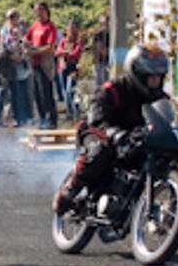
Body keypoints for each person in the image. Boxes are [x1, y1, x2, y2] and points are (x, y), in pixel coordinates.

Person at [52, 44, 170, 216]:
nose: (155, 82)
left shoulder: (161, 99)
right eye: (150, 77)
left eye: (159, 77)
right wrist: (114, 133)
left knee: (159, 157)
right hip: (99, 131)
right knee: (100, 150)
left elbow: (168, 121)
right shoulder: (114, 89)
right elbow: (96, 115)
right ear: (137, 73)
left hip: (133, 138)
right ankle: (70, 189)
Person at [27, 1, 59, 128]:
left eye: (40, 10)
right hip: (34, 64)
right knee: (37, 94)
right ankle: (41, 119)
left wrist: (35, 51)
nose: (38, 13)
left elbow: (51, 48)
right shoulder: (35, 26)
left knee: (46, 93)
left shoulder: (50, 27)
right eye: (36, 11)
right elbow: (27, 39)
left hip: (45, 64)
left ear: (46, 11)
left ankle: (51, 121)